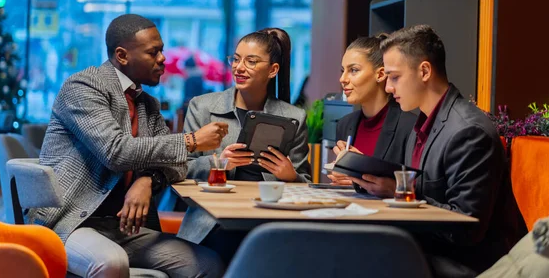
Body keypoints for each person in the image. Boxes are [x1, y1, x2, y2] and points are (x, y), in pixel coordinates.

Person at [30, 14, 226, 278]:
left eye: (162, 50)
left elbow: (176, 165)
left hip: (124, 227)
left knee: (208, 264)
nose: (163, 59)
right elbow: (116, 152)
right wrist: (190, 140)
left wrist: (146, 181)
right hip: (71, 221)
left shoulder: (148, 104)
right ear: (122, 55)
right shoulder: (83, 87)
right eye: (153, 52)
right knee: (111, 262)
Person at [348, 25, 526, 277]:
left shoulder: (469, 131)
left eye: (394, 77)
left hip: (471, 264)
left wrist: (403, 194)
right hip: (430, 250)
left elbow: (467, 228)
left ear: (424, 71)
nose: (388, 87)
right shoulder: (421, 122)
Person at [177, 27, 310, 260]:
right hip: (214, 221)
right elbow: (180, 169)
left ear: (273, 70)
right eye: (236, 59)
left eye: (251, 61)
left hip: (270, 220)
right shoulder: (203, 107)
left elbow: (305, 185)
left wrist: (291, 176)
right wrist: (218, 163)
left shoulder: (294, 117)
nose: (239, 67)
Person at [328, 35, 416, 187]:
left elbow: (416, 186)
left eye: (353, 70)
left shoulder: (409, 126)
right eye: (343, 71)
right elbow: (344, 183)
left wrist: (360, 176)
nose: (343, 79)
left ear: (381, 74)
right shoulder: (344, 124)